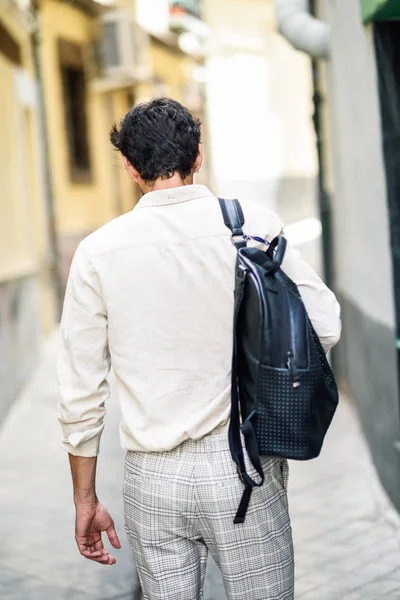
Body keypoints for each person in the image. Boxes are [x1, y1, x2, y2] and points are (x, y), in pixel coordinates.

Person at [58, 97, 341, 600]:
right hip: (243, 463)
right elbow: (326, 324)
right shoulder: (251, 224)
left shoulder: (97, 253)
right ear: (198, 156)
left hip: (152, 477)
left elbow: (80, 393)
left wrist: (85, 498)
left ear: (129, 167)